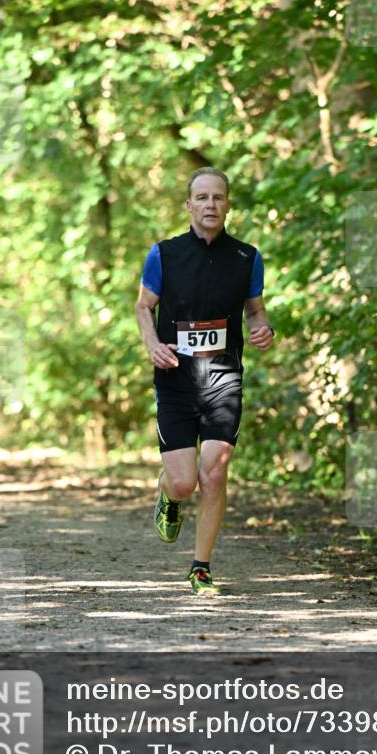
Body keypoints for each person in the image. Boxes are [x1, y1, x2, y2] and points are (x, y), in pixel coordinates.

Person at [135, 167, 275, 595]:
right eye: (202, 197)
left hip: (223, 379)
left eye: (218, 197)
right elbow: (143, 307)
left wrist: (263, 327)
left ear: (227, 204)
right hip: (176, 380)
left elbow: (254, 309)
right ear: (189, 205)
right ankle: (168, 494)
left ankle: (201, 568)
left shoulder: (247, 257)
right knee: (185, 481)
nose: (210, 204)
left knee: (214, 473)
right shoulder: (164, 253)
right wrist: (152, 344)